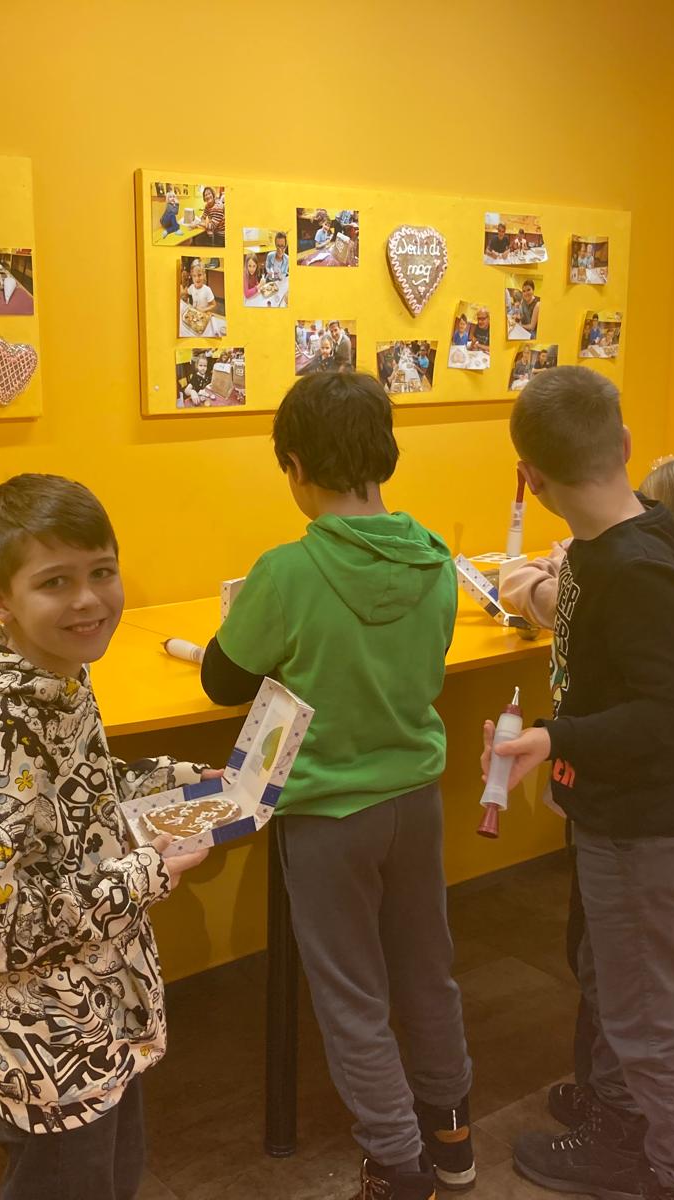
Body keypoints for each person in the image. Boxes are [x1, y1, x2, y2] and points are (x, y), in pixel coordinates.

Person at [198, 372, 475, 1200]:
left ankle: (394, 1163)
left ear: (294, 467)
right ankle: (452, 1134)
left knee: (351, 992)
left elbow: (222, 678)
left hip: (326, 814)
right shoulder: (438, 560)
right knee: (427, 968)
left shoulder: (287, 572)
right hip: (415, 800)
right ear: (385, 453)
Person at [0, 474, 213, 1200]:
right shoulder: (5, 724)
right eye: (55, 582)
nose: (88, 600)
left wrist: (173, 782)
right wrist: (145, 875)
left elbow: (73, 797)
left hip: (94, 1018)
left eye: (102, 572)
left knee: (113, 1176)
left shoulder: (56, 676)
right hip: (48, 1043)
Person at [487, 369, 674, 1200]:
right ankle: (626, 1122)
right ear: (624, 445)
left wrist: (558, 737)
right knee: (615, 987)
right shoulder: (616, 542)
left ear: (531, 479)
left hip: (648, 828)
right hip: (619, 815)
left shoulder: (636, 567)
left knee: (649, 1020)